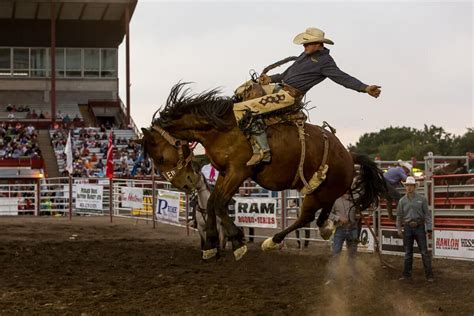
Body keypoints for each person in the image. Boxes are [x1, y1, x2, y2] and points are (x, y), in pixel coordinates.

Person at [233, 27, 381, 166]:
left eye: (307, 44)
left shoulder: (326, 62)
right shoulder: (304, 55)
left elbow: (342, 78)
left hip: (288, 96)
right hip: (279, 88)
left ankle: (262, 150)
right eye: (304, 44)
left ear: (318, 44)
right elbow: (285, 75)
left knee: (242, 109)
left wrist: (365, 88)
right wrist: (270, 79)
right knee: (243, 89)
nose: (304, 47)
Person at [396, 176, 434, 282]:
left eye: (411, 186)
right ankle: (407, 274)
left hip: (419, 226)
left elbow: (427, 214)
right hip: (408, 227)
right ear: (406, 187)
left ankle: (429, 275)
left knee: (424, 252)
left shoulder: (422, 199)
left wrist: (429, 228)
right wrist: (399, 229)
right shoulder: (402, 201)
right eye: (407, 185)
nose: (409, 188)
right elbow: (399, 216)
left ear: (414, 187)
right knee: (408, 252)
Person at [325, 191, 360, 284]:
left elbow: (359, 213)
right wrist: (338, 218)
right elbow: (328, 214)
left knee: (352, 254)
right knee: (336, 253)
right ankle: (333, 278)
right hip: (340, 229)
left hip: (352, 229)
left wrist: (358, 216)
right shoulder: (335, 200)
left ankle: (352, 276)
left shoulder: (355, 199)